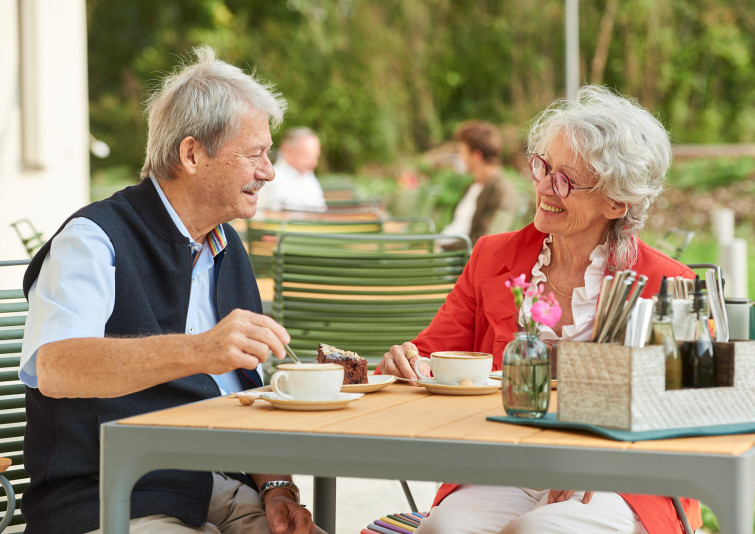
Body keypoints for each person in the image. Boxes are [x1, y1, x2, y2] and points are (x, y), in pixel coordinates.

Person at [19, 45, 325, 534]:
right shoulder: (94, 240)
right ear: (191, 154)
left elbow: (244, 390)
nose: (268, 171)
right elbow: (55, 367)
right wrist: (199, 350)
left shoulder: (227, 247)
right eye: (255, 155)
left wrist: (276, 488)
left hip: (214, 486)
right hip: (110, 493)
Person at [379, 86, 702, 534]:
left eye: (567, 180)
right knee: (442, 529)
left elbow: (694, 406)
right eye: (543, 166)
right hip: (505, 461)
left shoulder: (670, 284)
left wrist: (604, 459)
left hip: (620, 475)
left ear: (617, 201)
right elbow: (434, 355)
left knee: (535, 532)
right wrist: (408, 358)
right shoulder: (492, 257)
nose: (545, 187)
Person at [440, 120, 518, 249]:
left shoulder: (501, 191)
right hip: (444, 248)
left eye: (462, 152)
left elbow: (484, 241)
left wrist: (442, 247)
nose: (460, 158)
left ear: (476, 155)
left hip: (455, 257)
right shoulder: (474, 186)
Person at [256, 127, 327, 213]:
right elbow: (258, 217)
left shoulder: (309, 177)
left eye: (315, 156)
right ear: (287, 151)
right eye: (306, 155)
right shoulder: (271, 179)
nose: (313, 162)